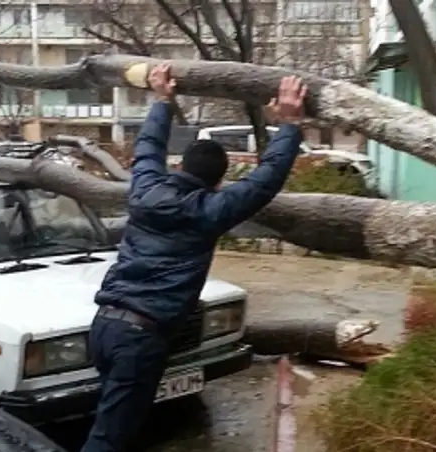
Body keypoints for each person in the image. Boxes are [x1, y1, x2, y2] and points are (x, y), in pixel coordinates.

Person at [80, 63, 308, 452]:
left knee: (118, 423)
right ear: (218, 182)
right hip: (140, 338)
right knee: (108, 440)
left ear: (180, 166)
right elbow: (265, 180)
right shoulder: (209, 211)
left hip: (103, 328)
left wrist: (163, 101)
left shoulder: (145, 188)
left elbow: (149, 147)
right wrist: (288, 126)